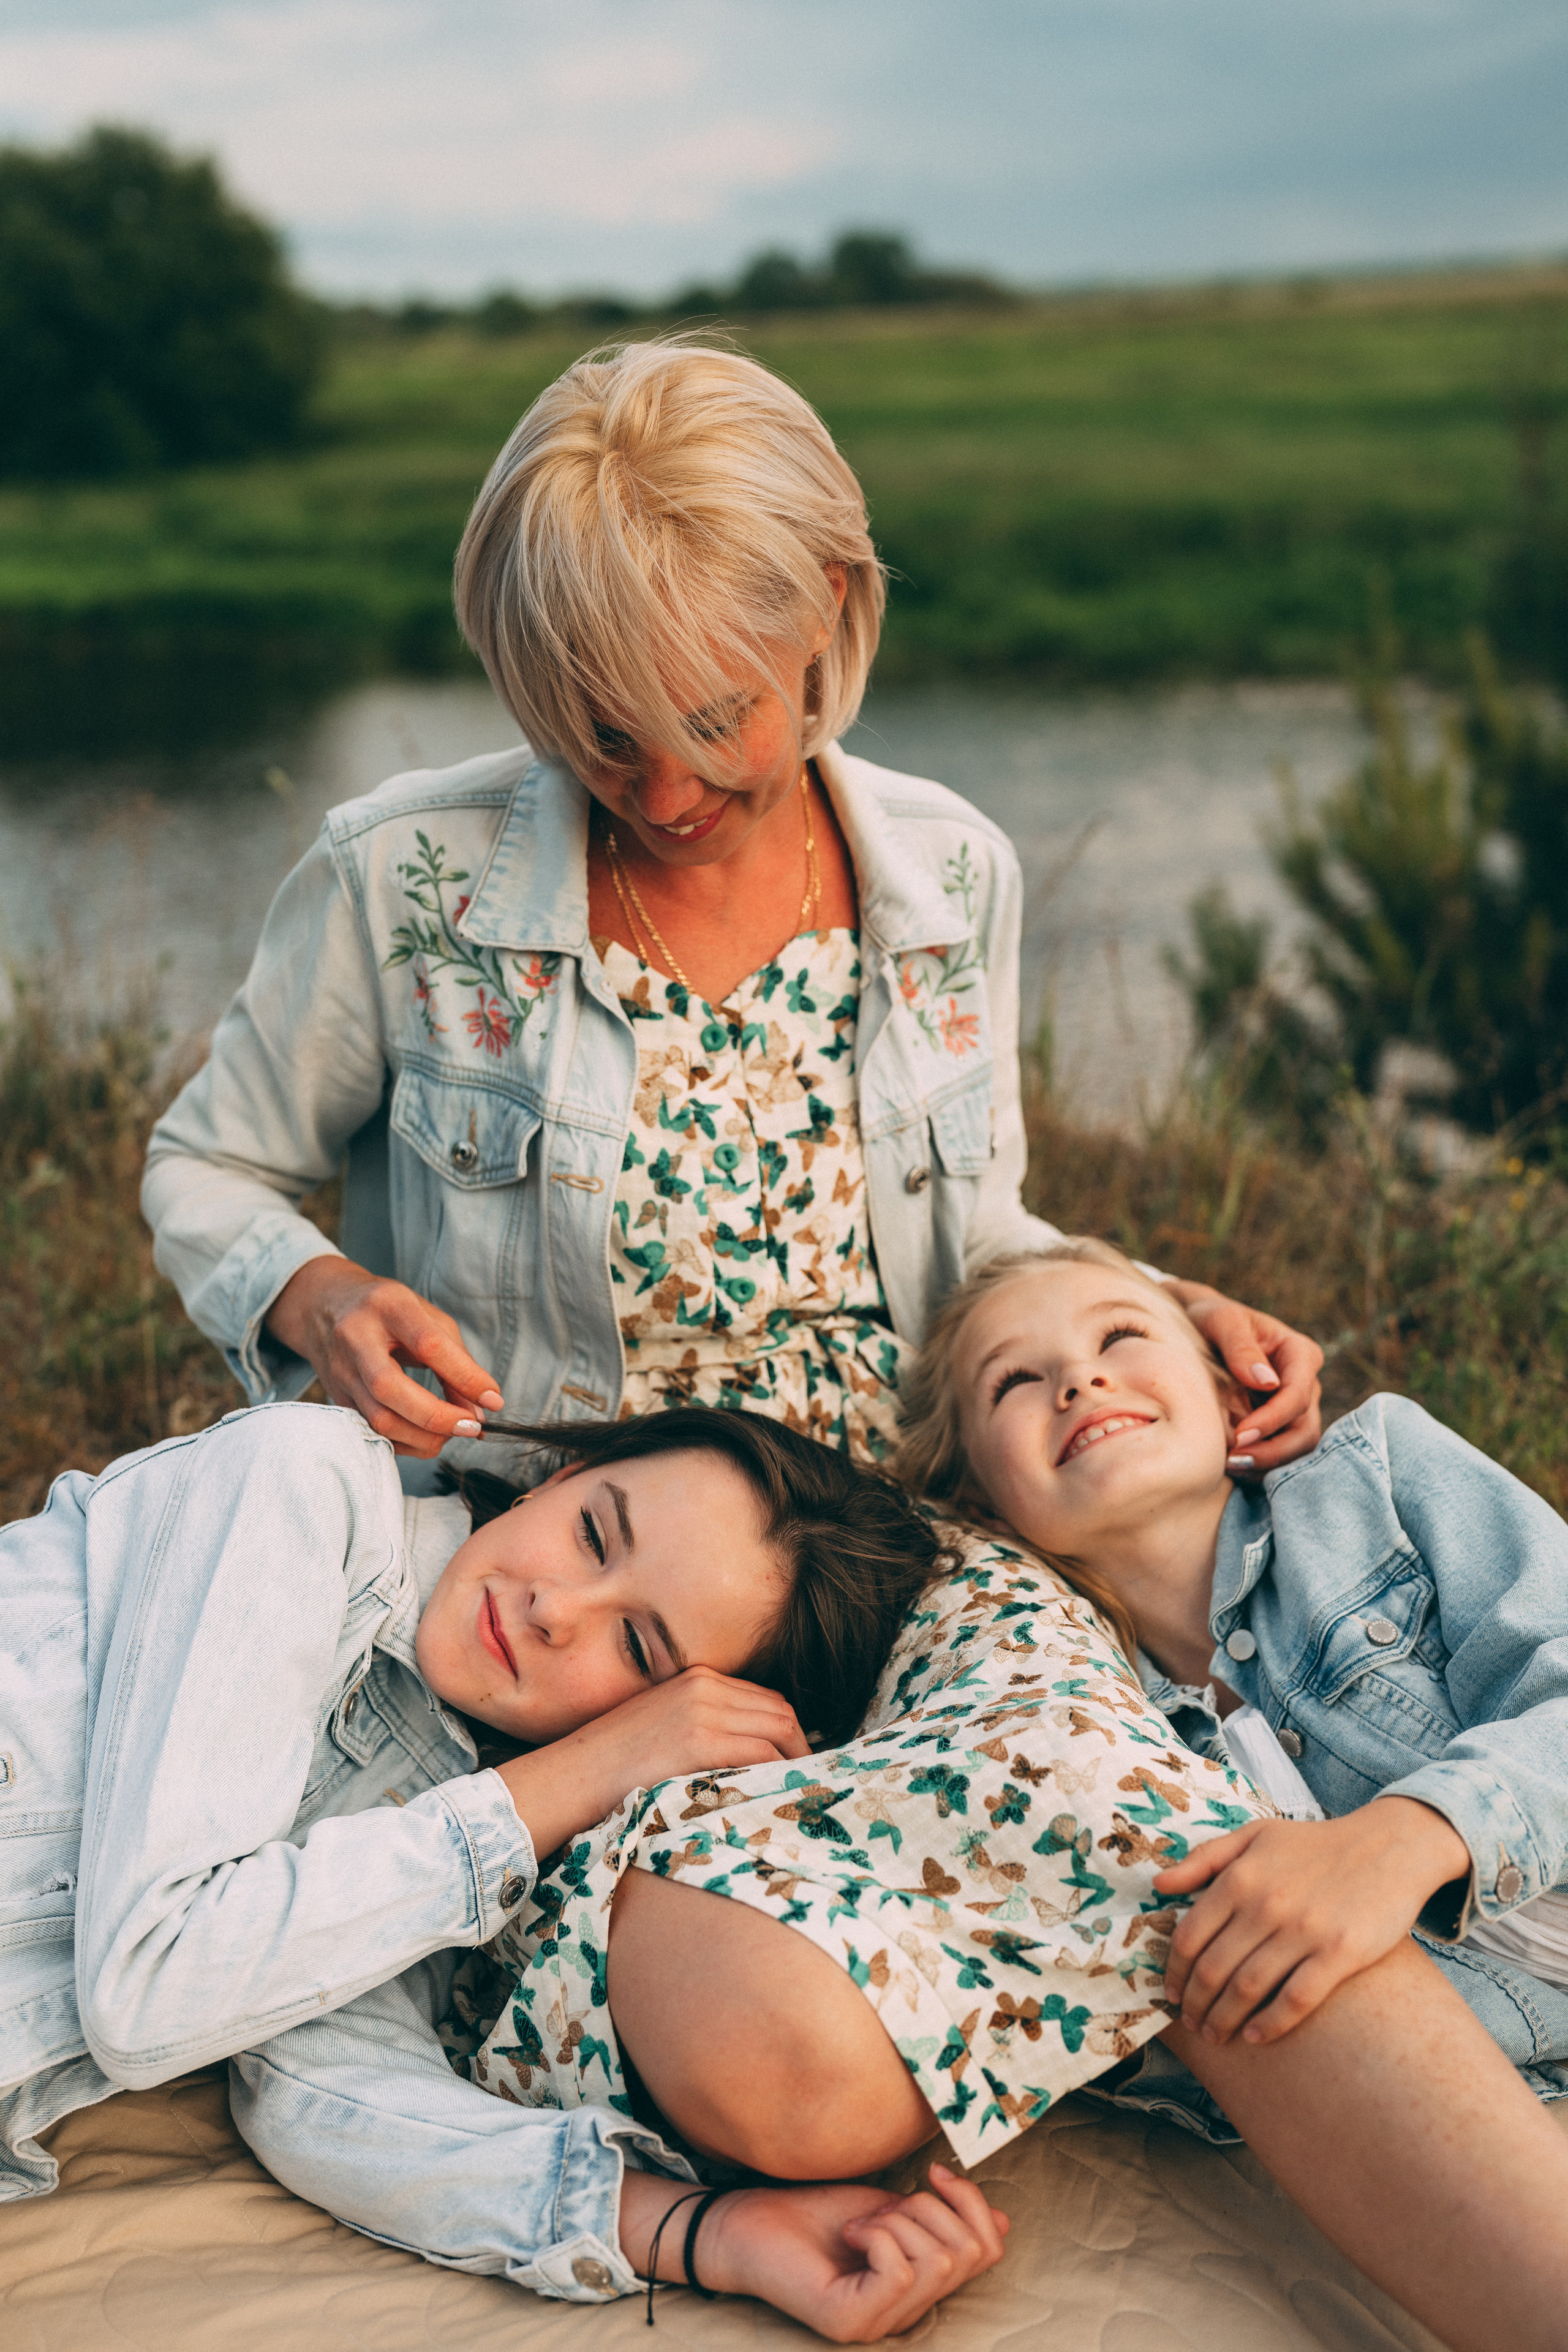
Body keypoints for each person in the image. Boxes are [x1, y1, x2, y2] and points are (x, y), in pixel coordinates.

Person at [141, 337, 1322, 1481]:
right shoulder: (402, 880)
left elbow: (978, 1241)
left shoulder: (953, 873)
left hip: (902, 1529)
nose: (663, 796)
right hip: (561, 1564)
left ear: (825, 606)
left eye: (712, 721)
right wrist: (324, 1297)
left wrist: (1168, 1309)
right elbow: (207, 1169)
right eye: (602, 733)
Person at [1, 1396, 1011, 2336]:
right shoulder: (303, 1482)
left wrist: (708, 2234)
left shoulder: (465, 1825)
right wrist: (583, 1769)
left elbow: (326, 2087)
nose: (554, 1609)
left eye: (638, 1649)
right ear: (552, 1477)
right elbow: (153, 1985)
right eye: (592, 1533)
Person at [894, 1235, 1568, 2099]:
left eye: (1121, 1335)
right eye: (1013, 1382)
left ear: (1226, 1389)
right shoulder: (1066, 1718)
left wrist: (1406, 1840)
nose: (1078, 1380)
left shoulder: (1380, 1478)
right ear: (979, 1500)